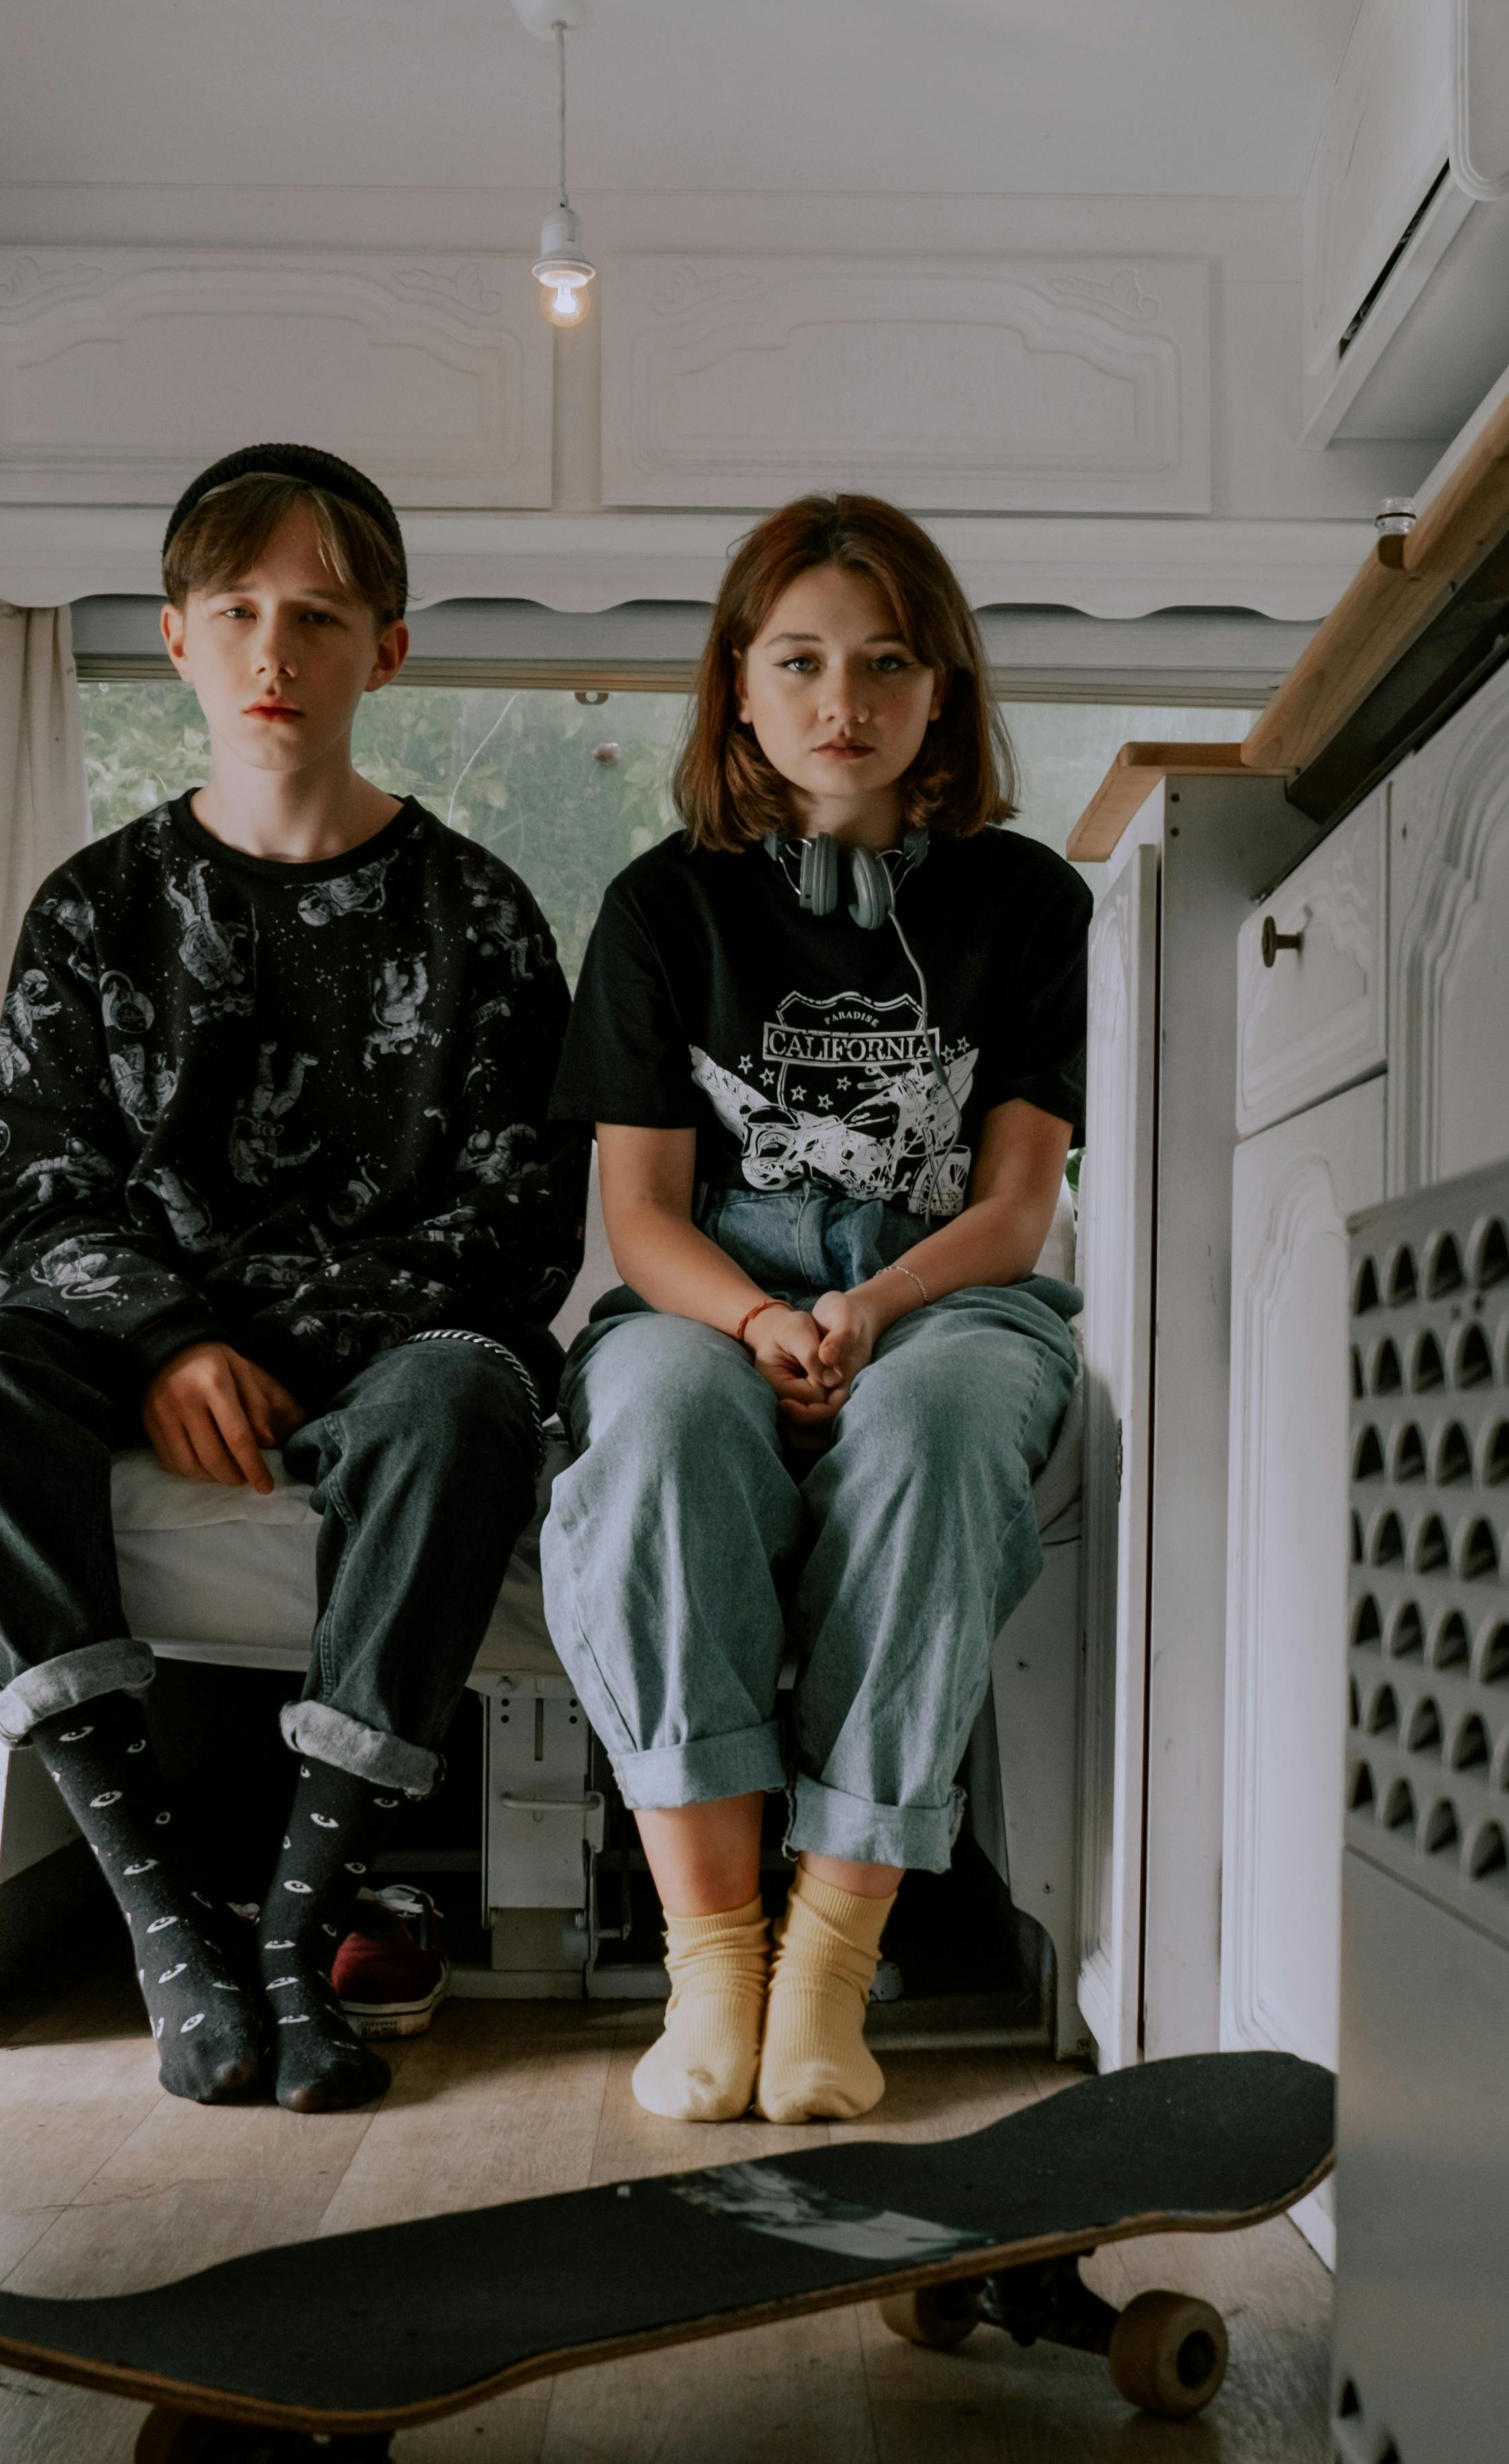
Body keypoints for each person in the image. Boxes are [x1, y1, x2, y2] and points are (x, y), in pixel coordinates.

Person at [0, 445, 580, 2113]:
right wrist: (176, 1345)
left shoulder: (481, 917)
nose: (277, 652)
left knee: (478, 1390)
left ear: (384, 652)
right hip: (130, 1352)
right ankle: (167, 1923)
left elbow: (521, 1220)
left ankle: (299, 1923)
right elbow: (30, 1197)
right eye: (239, 611)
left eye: (319, 615)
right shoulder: (97, 908)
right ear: (178, 640)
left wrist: (277, 1349)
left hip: (392, 1365)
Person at [542, 494, 1088, 2125]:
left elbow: (1014, 1205)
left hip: (944, 1293)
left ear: (941, 694)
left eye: (885, 661)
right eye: (799, 661)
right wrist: (758, 1321)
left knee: (933, 1426)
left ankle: (833, 1964)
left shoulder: (1030, 905)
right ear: (738, 687)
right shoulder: (660, 908)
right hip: (716, 1293)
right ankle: (716, 1953)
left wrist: (868, 1307)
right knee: (651, 1421)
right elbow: (638, 1219)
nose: (841, 701)